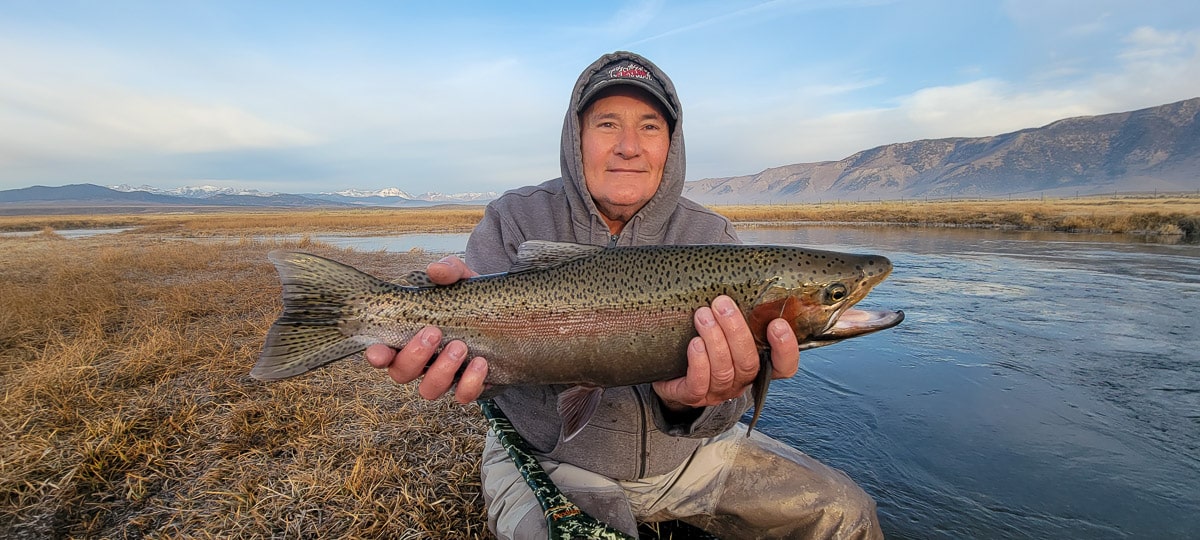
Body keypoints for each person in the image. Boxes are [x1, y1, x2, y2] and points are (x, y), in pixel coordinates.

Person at [365, 51, 883, 539]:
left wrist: (695, 406)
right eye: (607, 123)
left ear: (670, 144)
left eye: (649, 127)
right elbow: (482, 379)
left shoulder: (714, 237)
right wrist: (451, 355)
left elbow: (732, 411)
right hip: (546, 457)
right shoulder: (515, 217)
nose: (629, 145)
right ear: (577, 137)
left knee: (846, 512)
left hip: (686, 458)